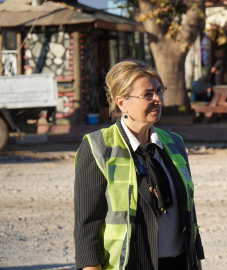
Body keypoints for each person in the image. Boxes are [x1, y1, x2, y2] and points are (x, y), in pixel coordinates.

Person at [74, 60, 204, 270]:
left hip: (178, 263)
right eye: (148, 94)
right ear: (122, 102)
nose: (158, 99)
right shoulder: (97, 147)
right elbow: (87, 225)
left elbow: (189, 213)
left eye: (159, 91)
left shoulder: (174, 144)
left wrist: (196, 263)